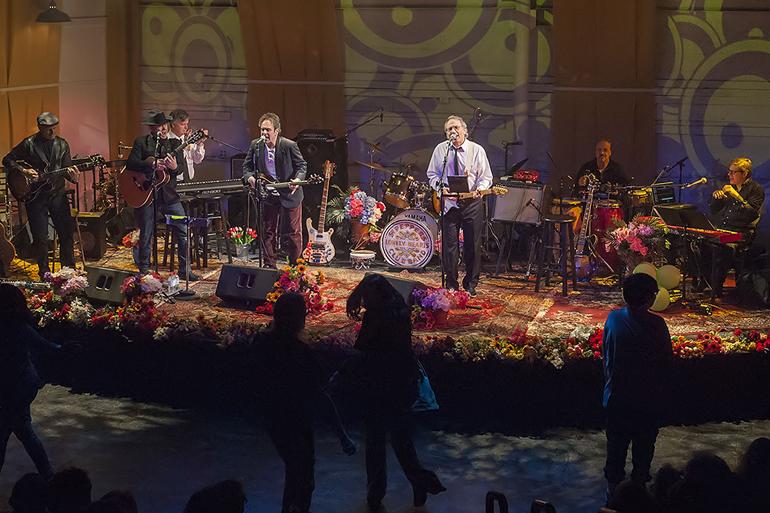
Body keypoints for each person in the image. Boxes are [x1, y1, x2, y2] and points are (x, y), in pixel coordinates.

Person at [346, 274, 445, 513]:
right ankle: (418, 481)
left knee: (377, 442)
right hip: (399, 384)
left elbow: (365, 349)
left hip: (382, 386)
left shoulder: (379, 317)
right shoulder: (398, 313)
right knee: (400, 440)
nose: (366, 302)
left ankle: (376, 493)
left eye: (368, 297)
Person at [250, 292, 354, 513]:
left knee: (294, 470)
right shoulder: (301, 353)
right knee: (303, 477)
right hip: (298, 420)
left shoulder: (261, 341)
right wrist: (342, 436)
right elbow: (321, 394)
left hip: (273, 417)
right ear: (302, 320)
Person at [602, 273, 674, 502]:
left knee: (616, 445)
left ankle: (613, 490)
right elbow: (666, 362)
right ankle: (639, 490)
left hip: (617, 397)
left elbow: (606, 354)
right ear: (650, 298)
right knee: (644, 446)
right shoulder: (657, 324)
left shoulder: (613, 318)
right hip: (647, 400)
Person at [1, 112, 78, 277]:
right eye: (48, 129)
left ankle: (69, 272)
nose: (52, 132)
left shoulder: (63, 145)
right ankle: (44, 274)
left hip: (57, 195)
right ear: (40, 128)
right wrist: (24, 171)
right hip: (35, 197)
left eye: (54, 129)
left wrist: (74, 177)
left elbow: (67, 170)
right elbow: (7, 159)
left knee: (66, 234)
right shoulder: (29, 144)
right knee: (40, 238)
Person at [126, 109, 198, 281]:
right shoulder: (141, 143)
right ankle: (144, 270)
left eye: (164, 125)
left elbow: (180, 168)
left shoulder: (175, 145)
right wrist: (151, 165)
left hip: (169, 196)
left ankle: (184, 269)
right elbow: (131, 163)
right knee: (146, 232)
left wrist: (173, 167)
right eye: (158, 126)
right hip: (146, 194)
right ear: (151, 128)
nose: (163, 128)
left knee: (183, 229)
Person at [426, 115, 493, 296]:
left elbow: (486, 177)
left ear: (464, 130)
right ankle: (451, 283)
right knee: (449, 245)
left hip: (472, 202)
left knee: (472, 244)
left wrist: (480, 188)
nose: (452, 131)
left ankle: (470, 284)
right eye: (449, 129)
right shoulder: (441, 150)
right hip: (449, 204)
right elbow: (432, 174)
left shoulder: (477, 150)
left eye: (455, 127)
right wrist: (441, 188)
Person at [0, 284, 58, 481]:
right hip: (22, 385)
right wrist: (64, 348)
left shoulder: (13, 329)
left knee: (14, 431)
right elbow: (45, 346)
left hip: (11, 388)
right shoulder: (20, 328)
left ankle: (48, 475)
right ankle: (48, 476)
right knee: (22, 430)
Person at [242, 112, 307, 268]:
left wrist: (297, 180)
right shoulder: (256, 145)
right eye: (262, 130)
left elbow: (302, 166)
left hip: (289, 192)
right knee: (268, 230)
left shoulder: (288, 145)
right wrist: (250, 177)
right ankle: (270, 266)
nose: (264, 133)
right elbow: (247, 167)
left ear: (277, 131)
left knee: (293, 232)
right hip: (268, 194)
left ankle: (295, 268)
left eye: (268, 130)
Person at [707, 157, 765, 296]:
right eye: (729, 172)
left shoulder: (755, 189)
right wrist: (716, 198)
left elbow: (752, 214)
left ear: (744, 174)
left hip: (743, 233)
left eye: (733, 172)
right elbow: (714, 211)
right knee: (699, 243)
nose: (729, 175)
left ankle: (716, 290)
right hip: (725, 229)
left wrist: (737, 196)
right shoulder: (730, 188)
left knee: (722, 248)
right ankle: (704, 282)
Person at [168, 108, 207, 183]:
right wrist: (184, 147)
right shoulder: (167, 140)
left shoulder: (189, 139)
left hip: (190, 180)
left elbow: (197, 160)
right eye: (182, 124)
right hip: (174, 181)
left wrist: (200, 144)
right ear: (173, 125)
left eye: (187, 124)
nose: (186, 127)